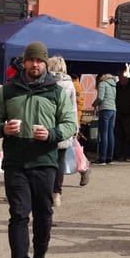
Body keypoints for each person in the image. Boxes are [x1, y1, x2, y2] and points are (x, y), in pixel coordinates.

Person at [0, 41, 76, 258]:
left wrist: (51, 134)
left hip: (44, 161)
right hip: (15, 162)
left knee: (43, 212)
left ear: (45, 63)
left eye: (39, 61)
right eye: (31, 60)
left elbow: (71, 124)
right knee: (18, 214)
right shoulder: (7, 91)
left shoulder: (56, 91)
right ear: (23, 62)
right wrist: (1, 128)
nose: (35, 65)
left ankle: (40, 254)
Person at [47, 55, 78, 208]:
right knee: (60, 161)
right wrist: (74, 128)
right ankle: (56, 194)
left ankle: (45, 192)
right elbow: (73, 108)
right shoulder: (69, 84)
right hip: (64, 127)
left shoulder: (44, 82)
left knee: (46, 161)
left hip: (47, 126)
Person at [93, 73, 117, 165]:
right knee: (110, 133)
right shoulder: (113, 85)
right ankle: (109, 158)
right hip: (113, 110)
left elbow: (100, 97)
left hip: (104, 110)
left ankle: (102, 158)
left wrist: (94, 104)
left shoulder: (102, 84)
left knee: (104, 134)